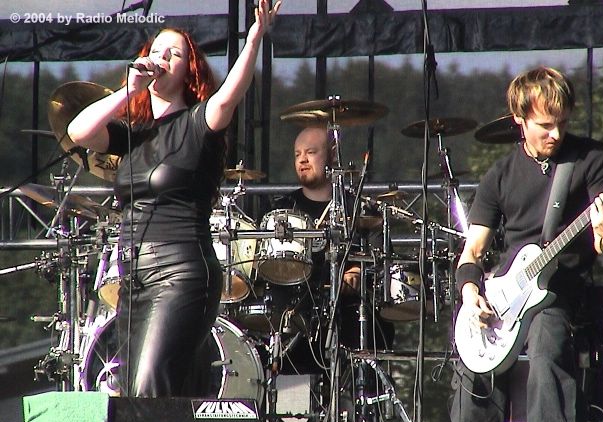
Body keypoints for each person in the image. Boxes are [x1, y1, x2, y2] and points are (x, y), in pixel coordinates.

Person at [67, 0, 281, 397]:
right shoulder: (133, 134)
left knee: (148, 391)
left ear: (188, 71)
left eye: (174, 54)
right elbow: (79, 132)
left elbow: (229, 97)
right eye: (156, 51)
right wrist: (129, 90)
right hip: (134, 276)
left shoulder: (198, 123)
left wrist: (253, 39)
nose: (162, 58)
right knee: (129, 394)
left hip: (180, 272)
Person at [450, 66, 603, 422]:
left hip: (559, 296)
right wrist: (471, 294)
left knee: (548, 376)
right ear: (519, 119)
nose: (556, 133)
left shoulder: (591, 159)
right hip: (505, 298)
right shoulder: (500, 175)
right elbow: (472, 253)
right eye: (545, 125)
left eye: (562, 122)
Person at [266, 125, 394, 374]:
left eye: (311, 152)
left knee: (376, 329)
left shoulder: (360, 209)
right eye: (297, 154)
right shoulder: (281, 211)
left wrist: (359, 270)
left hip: (350, 313)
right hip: (296, 314)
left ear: (332, 155)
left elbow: (381, 257)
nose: (302, 159)